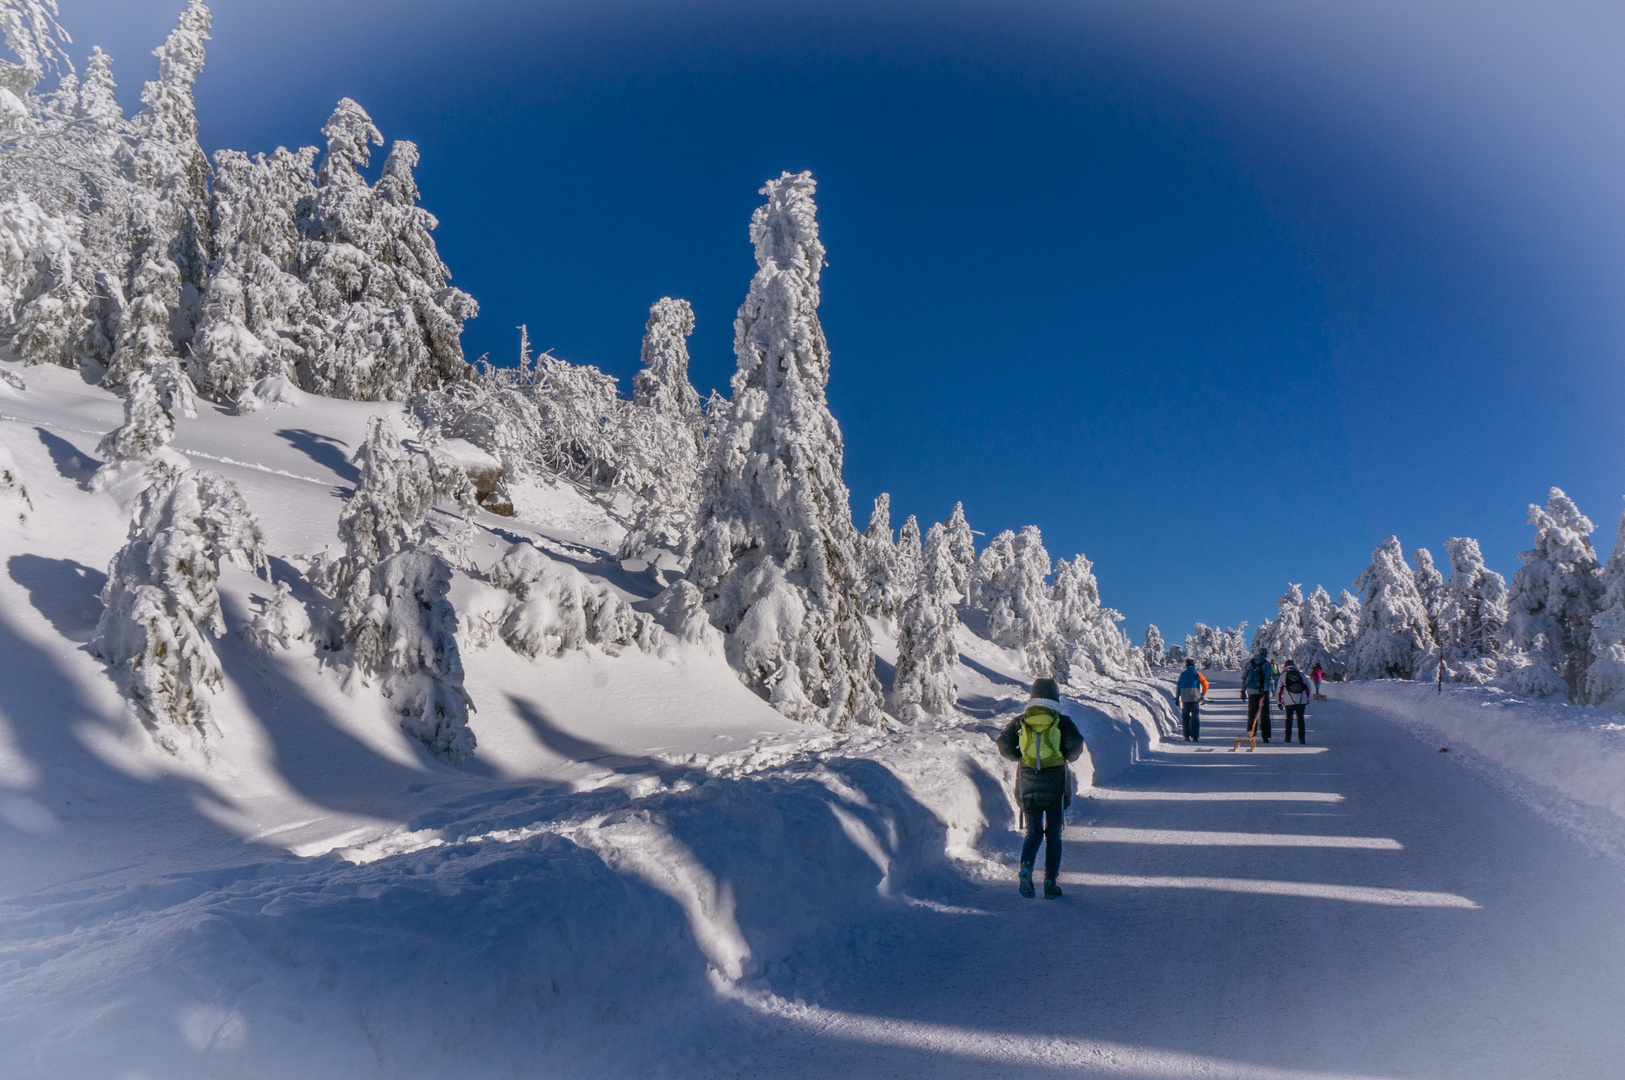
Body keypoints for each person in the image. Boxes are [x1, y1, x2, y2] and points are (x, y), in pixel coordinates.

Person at [996, 677, 1085, 899]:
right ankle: (1049, 882)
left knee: (1033, 833)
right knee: (1054, 835)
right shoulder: (1061, 721)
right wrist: (1063, 755)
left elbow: (1003, 745)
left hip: (1028, 783)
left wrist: (1021, 757)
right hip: (1055, 785)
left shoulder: (1021, 720)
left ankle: (1026, 868)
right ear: (1055, 696)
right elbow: (1075, 747)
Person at [1241, 648, 1275, 742]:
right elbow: (1268, 679)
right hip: (1261, 692)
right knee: (1264, 714)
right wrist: (1266, 691)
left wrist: (1242, 690)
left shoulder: (1249, 663)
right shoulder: (1267, 664)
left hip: (1251, 691)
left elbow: (1244, 677)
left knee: (1252, 712)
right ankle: (1265, 736)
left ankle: (1251, 732)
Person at [1175, 659, 1208, 741]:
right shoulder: (1197, 674)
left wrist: (1177, 697)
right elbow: (1205, 684)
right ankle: (1195, 736)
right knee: (1195, 716)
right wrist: (1202, 694)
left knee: (1185, 716)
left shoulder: (1182, 675)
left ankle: (1186, 736)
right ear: (1193, 665)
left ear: (1186, 665)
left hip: (1185, 698)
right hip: (1195, 697)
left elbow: (1179, 686)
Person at [1278, 659, 1310, 744]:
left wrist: (1279, 702)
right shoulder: (1301, 674)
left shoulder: (1283, 675)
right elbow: (1308, 688)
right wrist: (1306, 698)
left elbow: (1278, 690)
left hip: (1289, 701)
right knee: (1300, 719)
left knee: (1289, 718)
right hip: (1301, 701)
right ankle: (1302, 739)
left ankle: (1288, 738)